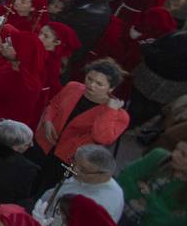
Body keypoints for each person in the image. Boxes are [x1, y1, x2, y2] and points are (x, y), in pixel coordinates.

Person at [32, 58, 130, 192]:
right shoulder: (73, 87)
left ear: (111, 88)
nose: (91, 85)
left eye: (99, 84)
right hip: (44, 145)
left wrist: (110, 111)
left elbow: (101, 137)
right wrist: (48, 121)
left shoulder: (118, 115)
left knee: (43, 191)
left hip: (66, 160)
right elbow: (54, 105)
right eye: (89, 79)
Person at [31, 142, 124, 226]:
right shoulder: (85, 177)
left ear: (103, 175)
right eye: (74, 162)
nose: (74, 170)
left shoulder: (100, 203)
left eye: (82, 169)